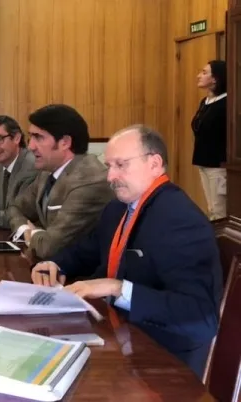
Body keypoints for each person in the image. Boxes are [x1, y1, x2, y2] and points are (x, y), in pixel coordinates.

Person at [31, 125, 222, 379]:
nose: (110, 176)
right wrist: (55, 264)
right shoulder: (118, 208)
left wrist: (119, 288)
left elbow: (199, 315)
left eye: (121, 165)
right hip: (116, 337)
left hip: (163, 362)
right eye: (109, 166)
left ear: (154, 164)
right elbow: (86, 250)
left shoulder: (179, 218)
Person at [6, 104, 113, 260]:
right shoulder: (46, 172)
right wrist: (24, 229)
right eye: (31, 137)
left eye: (38, 137)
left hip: (80, 272)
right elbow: (15, 208)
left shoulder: (89, 181)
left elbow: (48, 247)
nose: (30, 146)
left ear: (65, 142)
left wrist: (34, 234)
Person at [193, 60, 227, 220]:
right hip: (203, 162)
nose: (199, 76)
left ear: (215, 79)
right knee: (211, 208)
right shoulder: (204, 102)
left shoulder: (227, 103)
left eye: (204, 72)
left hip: (218, 165)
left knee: (219, 210)